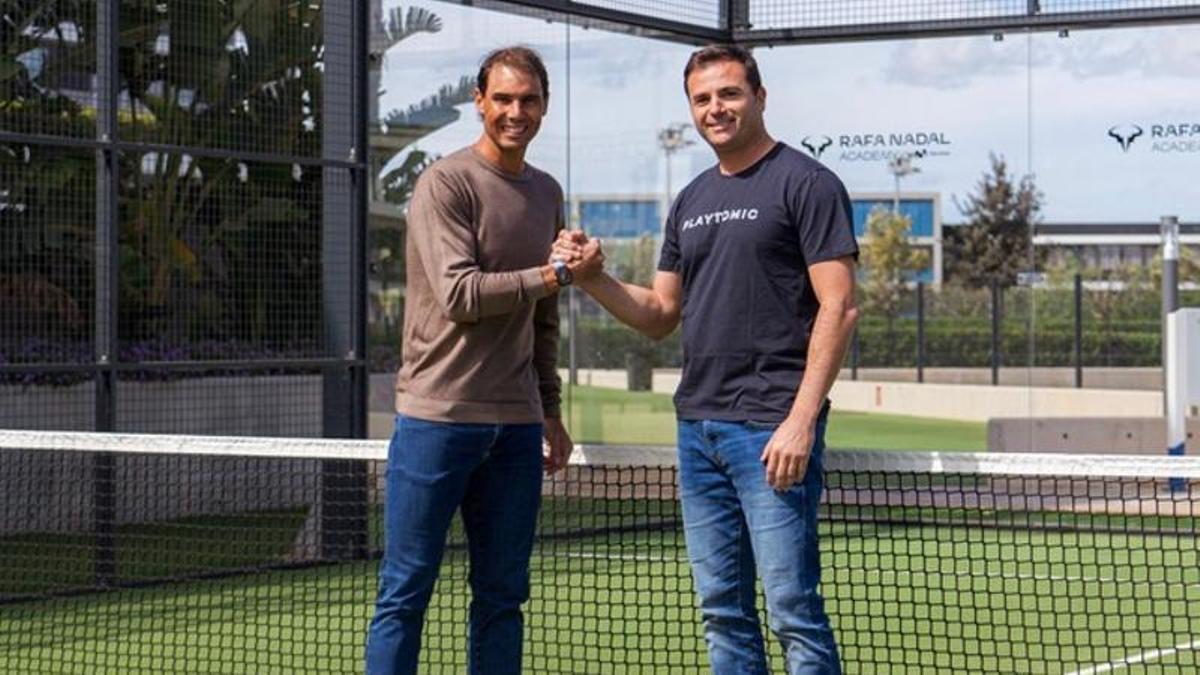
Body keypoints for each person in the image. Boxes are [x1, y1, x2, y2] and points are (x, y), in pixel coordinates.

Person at [553, 44, 858, 674]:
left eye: (729, 93)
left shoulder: (808, 184)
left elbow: (839, 307)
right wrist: (592, 279)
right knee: (722, 610)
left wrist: (801, 421)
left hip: (771, 428)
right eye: (702, 99)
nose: (715, 108)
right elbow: (661, 313)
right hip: (699, 430)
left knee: (792, 610)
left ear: (760, 97)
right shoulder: (688, 201)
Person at [365, 46, 602, 675]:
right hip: (436, 421)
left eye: (528, 100)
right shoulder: (445, 182)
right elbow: (461, 295)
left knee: (502, 598)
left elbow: (543, 321)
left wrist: (549, 410)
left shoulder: (547, 191)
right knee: (405, 592)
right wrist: (554, 274)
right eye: (502, 99)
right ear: (480, 102)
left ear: (544, 106)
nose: (515, 112)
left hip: (518, 429)